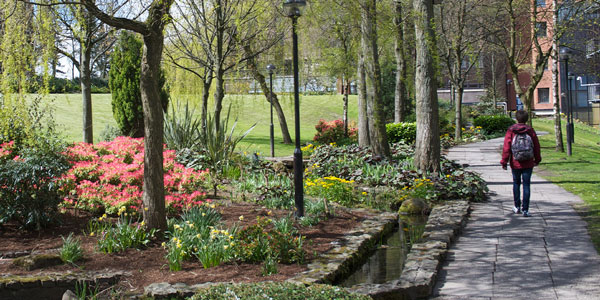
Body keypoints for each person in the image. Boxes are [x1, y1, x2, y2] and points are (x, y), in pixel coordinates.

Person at [500, 110, 542, 217]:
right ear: (527, 119)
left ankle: (517, 206)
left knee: (516, 183)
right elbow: (536, 146)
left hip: (515, 161)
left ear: (516, 118)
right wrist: (537, 159)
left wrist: (504, 161)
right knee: (526, 184)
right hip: (528, 162)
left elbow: (507, 147)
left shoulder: (511, 130)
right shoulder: (530, 130)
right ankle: (526, 209)